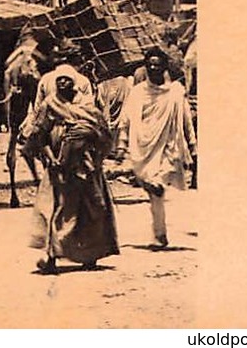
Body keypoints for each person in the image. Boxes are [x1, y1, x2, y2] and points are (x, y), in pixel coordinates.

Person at [23, 71, 120, 273]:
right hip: (58, 168)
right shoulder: (49, 105)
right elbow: (39, 136)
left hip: (86, 167)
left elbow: (104, 137)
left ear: (74, 83)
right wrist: (51, 157)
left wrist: (96, 158)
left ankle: (90, 255)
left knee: (90, 210)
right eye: (59, 80)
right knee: (54, 210)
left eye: (67, 79)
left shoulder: (88, 108)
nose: (63, 83)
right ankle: (51, 256)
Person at [112, 47, 196, 248]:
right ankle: (160, 233)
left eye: (157, 65)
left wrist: (193, 146)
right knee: (151, 189)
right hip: (143, 147)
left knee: (157, 186)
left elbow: (185, 119)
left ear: (164, 67)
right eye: (149, 65)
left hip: (169, 145)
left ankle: (159, 235)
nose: (153, 68)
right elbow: (126, 120)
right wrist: (122, 147)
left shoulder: (175, 92)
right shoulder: (138, 92)